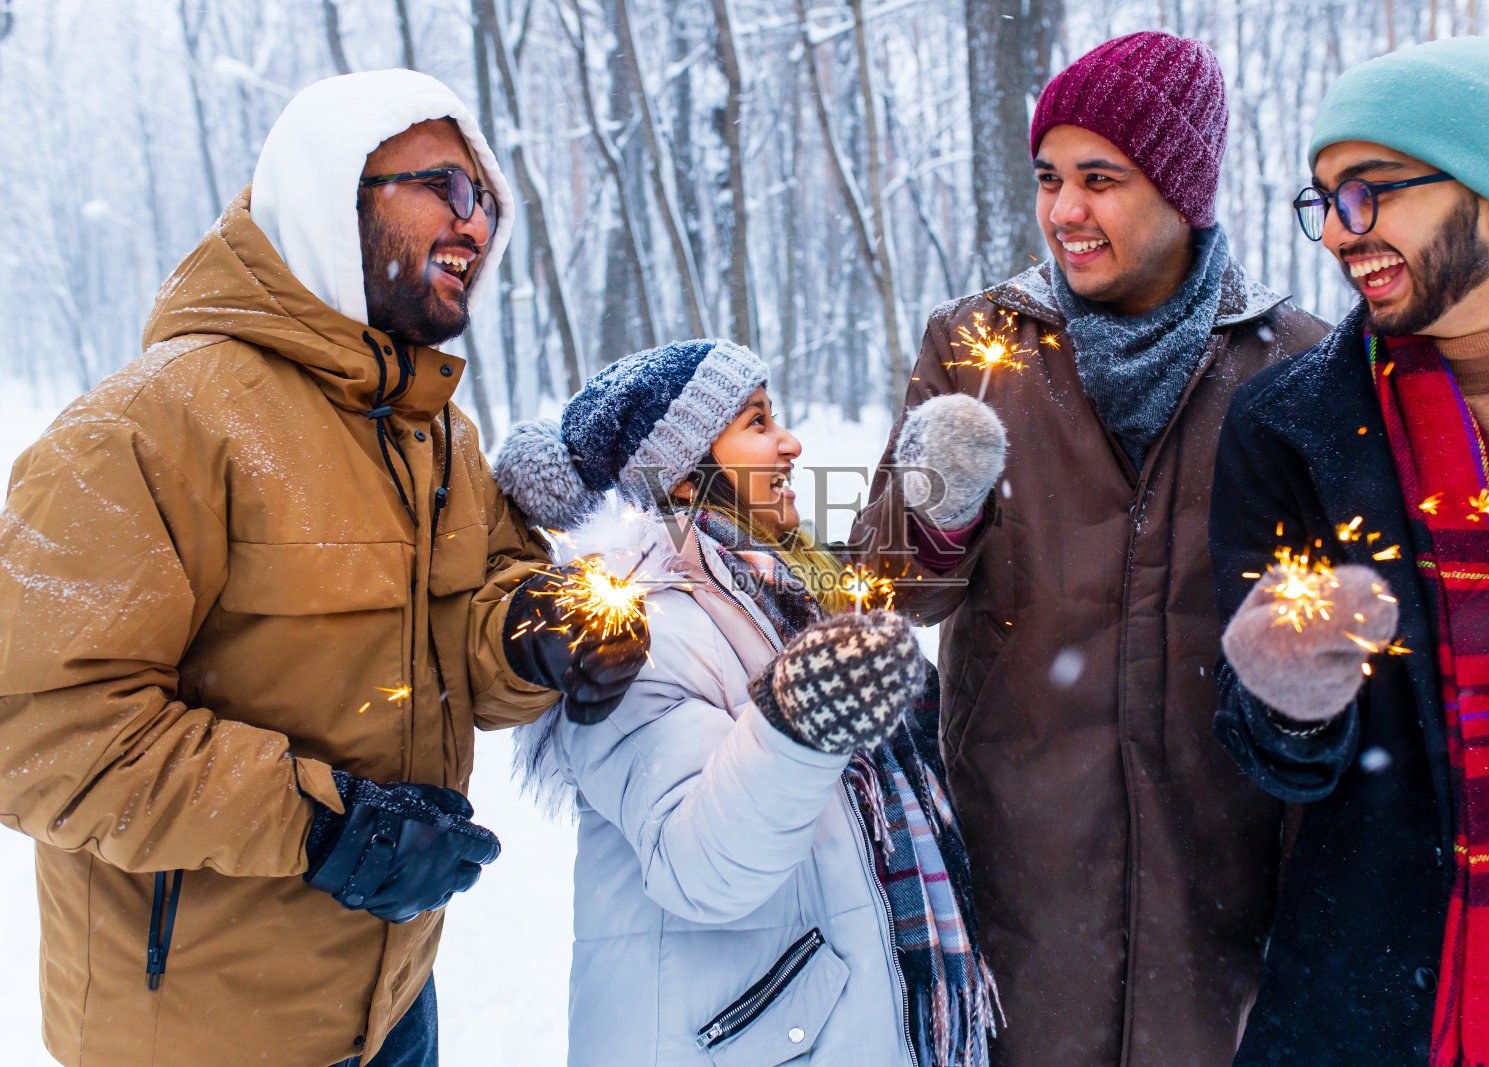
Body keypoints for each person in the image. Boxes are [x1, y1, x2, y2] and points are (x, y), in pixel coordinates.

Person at [0, 70, 643, 1067]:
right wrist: (324, 826)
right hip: (201, 1034)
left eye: (486, 198)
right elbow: (41, 726)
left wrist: (532, 637)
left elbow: (469, 631)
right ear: (330, 196)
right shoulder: (150, 425)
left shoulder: (440, 436)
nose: (475, 222)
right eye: (443, 187)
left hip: (391, 1004)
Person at [851, 30, 1329, 1066]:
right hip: (1020, 873)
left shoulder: (1294, 367)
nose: (1064, 209)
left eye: (1100, 179)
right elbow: (883, 591)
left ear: (1182, 190)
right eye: (1048, 177)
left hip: (1220, 887)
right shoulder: (976, 349)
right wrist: (935, 511)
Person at [1210, 37, 1489, 1065]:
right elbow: (1271, 753)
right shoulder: (1289, 424)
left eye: (1370, 191)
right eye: (1326, 200)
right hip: (1373, 985)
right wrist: (1289, 696)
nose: (1341, 234)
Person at [492, 338, 1005, 1066]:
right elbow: (702, 866)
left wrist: (936, 512)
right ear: (681, 476)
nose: (791, 443)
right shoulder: (630, 628)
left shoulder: (786, 587)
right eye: (757, 422)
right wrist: (798, 721)